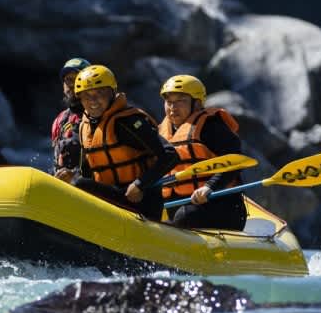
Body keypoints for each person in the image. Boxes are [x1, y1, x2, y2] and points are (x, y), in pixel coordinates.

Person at [70, 64, 177, 221]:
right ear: (80, 99)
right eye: (86, 95)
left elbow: (170, 155)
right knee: (76, 182)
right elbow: (87, 171)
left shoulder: (128, 122)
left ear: (112, 93)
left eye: (100, 93)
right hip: (112, 197)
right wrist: (72, 175)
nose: (93, 100)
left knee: (79, 184)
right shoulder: (83, 127)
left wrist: (140, 184)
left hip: (141, 201)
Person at [157, 74, 247, 230]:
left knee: (184, 215)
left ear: (197, 104)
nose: (173, 107)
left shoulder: (211, 127)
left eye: (180, 101)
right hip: (179, 207)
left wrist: (210, 187)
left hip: (221, 207)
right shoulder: (162, 132)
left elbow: (234, 161)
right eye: (169, 102)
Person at [50, 57, 89, 182]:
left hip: (95, 191)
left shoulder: (100, 116)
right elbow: (57, 160)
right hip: (66, 190)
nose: (72, 85)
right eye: (68, 80)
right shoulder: (60, 120)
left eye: (78, 79)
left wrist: (74, 175)